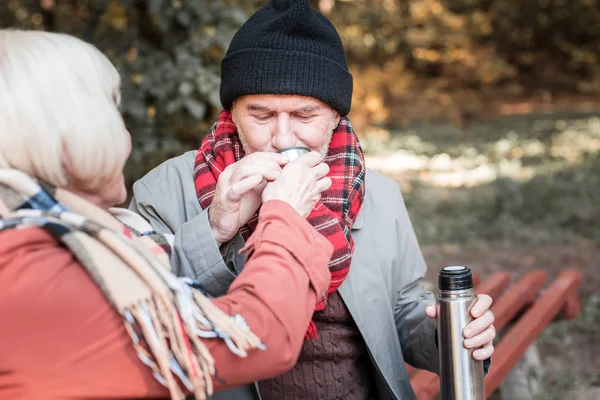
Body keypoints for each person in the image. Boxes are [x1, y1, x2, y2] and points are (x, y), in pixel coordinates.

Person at [129, 1, 497, 399]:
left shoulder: (379, 194)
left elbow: (402, 313)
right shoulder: (164, 189)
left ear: (337, 116)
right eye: (261, 114)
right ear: (232, 112)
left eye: (304, 115)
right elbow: (139, 321)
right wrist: (214, 228)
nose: (284, 139)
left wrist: (448, 334)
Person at [0, 29, 337, 400]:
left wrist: (216, 225)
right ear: (69, 139)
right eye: (113, 118)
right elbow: (257, 339)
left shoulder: (56, 233)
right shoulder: (28, 269)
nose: (126, 139)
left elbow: (156, 279)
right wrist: (284, 216)